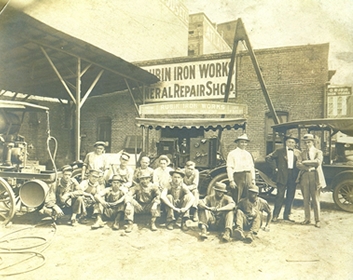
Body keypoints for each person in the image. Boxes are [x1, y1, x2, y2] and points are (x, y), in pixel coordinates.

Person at [266, 135, 301, 222]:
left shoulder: (298, 153)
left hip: (293, 176)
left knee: (290, 196)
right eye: (289, 142)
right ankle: (275, 215)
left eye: (293, 142)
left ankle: (287, 215)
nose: (291, 144)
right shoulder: (279, 151)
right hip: (282, 176)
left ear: (295, 144)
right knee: (280, 196)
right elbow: (268, 158)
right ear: (285, 142)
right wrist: (275, 168)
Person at [296, 134, 326, 228]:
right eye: (305, 142)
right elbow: (298, 164)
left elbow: (317, 162)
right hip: (304, 176)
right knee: (306, 199)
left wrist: (305, 162)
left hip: (315, 176)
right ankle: (307, 218)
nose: (307, 144)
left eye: (309, 142)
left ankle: (317, 220)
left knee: (315, 199)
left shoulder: (318, 152)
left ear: (313, 142)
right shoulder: (302, 153)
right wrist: (307, 165)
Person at [226, 134, 256, 203]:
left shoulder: (248, 154)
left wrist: (253, 179)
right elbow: (229, 167)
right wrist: (231, 180)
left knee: (248, 196)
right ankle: (235, 212)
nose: (244, 144)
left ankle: (245, 212)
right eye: (242, 142)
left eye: (245, 142)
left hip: (248, 176)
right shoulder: (232, 153)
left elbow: (252, 167)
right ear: (237, 143)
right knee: (237, 196)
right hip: (238, 176)